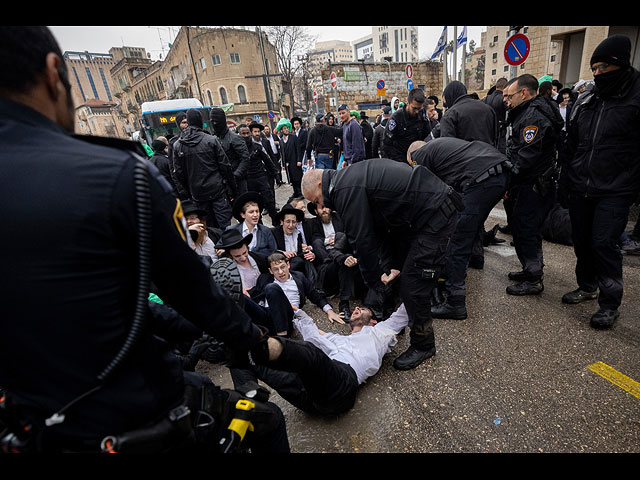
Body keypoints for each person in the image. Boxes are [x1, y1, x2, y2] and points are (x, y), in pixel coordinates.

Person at [0, 26, 289, 453]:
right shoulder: (119, 176)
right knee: (265, 420)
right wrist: (255, 340)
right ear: (52, 73)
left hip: (28, 422)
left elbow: (135, 305)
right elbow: (192, 290)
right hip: (130, 412)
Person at [302, 160, 463, 370]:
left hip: (433, 212)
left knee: (413, 285)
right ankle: (406, 320)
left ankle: (424, 344)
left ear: (320, 185)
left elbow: (362, 239)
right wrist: (393, 264)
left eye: (318, 200)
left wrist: (375, 283)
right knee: (405, 275)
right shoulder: (347, 180)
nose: (322, 206)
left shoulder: (344, 189)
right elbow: (382, 228)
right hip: (425, 211)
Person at [563, 34, 640, 329]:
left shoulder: (635, 96)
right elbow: (573, 144)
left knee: (604, 243)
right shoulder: (588, 98)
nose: (597, 74)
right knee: (582, 240)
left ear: (618, 65)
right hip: (582, 184)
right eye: (593, 69)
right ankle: (587, 285)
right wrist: (566, 181)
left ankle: (610, 302)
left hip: (617, 187)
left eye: (603, 68)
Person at [229, 303, 409, 416]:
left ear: (373, 322)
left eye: (361, 309)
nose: (356, 308)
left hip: (341, 386)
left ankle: (255, 340)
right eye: (356, 307)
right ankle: (245, 403)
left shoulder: (380, 332)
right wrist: (298, 312)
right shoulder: (338, 339)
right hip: (310, 399)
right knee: (239, 357)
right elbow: (314, 335)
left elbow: (404, 310)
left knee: (309, 352)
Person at [407, 138, 509, 319]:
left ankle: (455, 303)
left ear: (412, 156)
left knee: (457, 241)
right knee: (469, 229)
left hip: (480, 179)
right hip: (500, 173)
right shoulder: (445, 150)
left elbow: (429, 196)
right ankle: (462, 268)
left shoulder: (420, 155)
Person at [503, 73, 564, 296]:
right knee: (522, 227)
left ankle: (533, 277)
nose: (507, 101)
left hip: (534, 184)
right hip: (530, 182)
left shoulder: (533, 117)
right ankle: (529, 268)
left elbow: (526, 157)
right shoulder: (527, 113)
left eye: (509, 96)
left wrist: (507, 179)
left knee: (527, 228)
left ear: (524, 93)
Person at [247, 251, 345, 336]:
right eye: (276, 269)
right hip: (268, 315)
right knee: (244, 298)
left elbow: (315, 296)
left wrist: (330, 311)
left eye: (283, 267)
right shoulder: (264, 278)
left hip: (288, 317)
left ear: (288, 265)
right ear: (270, 271)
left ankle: (282, 337)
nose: (281, 272)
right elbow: (255, 295)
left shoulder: (299, 277)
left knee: (271, 288)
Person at [172, 109, 237, 230]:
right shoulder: (211, 140)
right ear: (200, 122)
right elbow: (225, 167)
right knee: (224, 227)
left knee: (207, 228)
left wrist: (189, 190)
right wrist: (232, 189)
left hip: (198, 193)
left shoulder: (178, 145)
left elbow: (178, 174)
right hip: (217, 190)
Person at [238, 123, 279, 225]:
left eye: (247, 133)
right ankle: (259, 224)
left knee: (269, 200)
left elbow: (267, 160)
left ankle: (275, 221)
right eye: (244, 134)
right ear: (240, 135)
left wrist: (276, 175)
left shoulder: (257, 147)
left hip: (261, 176)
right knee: (252, 203)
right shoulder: (237, 150)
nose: (246, 135)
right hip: (248, 179)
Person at [440, 80, 498, 148]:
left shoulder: (450, 115)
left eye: (445, 103)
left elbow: (447, 147)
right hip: (490, 156)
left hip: (463, 158)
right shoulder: (488, 109)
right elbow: (496, 138)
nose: (446, 107)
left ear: (449, 97)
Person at [381, 88, 432, 163]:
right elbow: (386, 144)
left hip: (418, 157)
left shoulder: (422, 114)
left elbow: (428, 135)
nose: (417, 111)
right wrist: (399, 162)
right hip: (400, 159)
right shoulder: (396, 118)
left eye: (419, 108)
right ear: (407, 103)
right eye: (414, 108)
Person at [209, 107, 250, 196]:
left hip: (238, 183)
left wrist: (236, 175)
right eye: (212, 122)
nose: (215, 124)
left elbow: (245, 158)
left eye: (216, 121)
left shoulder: (235, 138)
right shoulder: (214, 139)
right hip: (223, 184)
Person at [225, 191, 277, 256]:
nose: (255, 215)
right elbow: (221, 248)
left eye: (257, 211)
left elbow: (274, 252)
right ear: (243, 215)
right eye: (251, 212)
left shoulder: (266, 231)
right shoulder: (232, 230)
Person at [182, 199, 221, 264]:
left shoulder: (215, 234)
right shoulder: (183, 241)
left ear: (200, 220)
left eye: (192, 218)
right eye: (185, 219)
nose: (189, 222)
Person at [276, 118, 303, 199]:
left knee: (297, 177)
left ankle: (300, 192)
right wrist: (283, 164)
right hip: (288, 163)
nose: (287, 129)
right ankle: (295, 192)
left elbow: (298, 150)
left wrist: (299, 160)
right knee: (291, 178)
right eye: (285, 128)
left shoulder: (293, 137)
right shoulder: (281, 140)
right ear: (281, 130)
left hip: (295, 161)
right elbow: (282, 153)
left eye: (287, 128)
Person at [482, 77, 508, 153]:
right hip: (500, 134)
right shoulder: (504, 99)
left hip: (487, 134)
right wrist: (504, 123)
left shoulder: (486, 99)